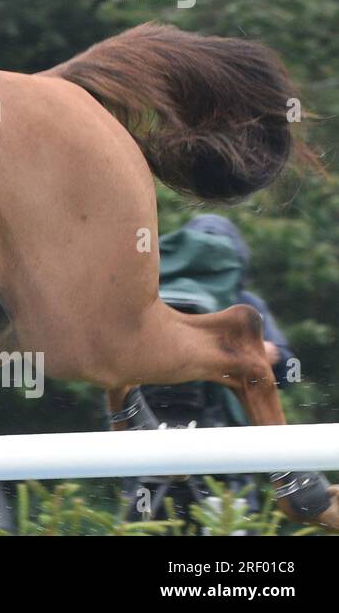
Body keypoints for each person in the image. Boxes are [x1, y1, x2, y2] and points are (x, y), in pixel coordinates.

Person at [122, 213, 298, 524]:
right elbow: (286, 369)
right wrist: (243, 356)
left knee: (145, 522)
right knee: (232, 522)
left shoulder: (149, 296)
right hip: (225, 445)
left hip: (149, 435)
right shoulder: (243, 303)